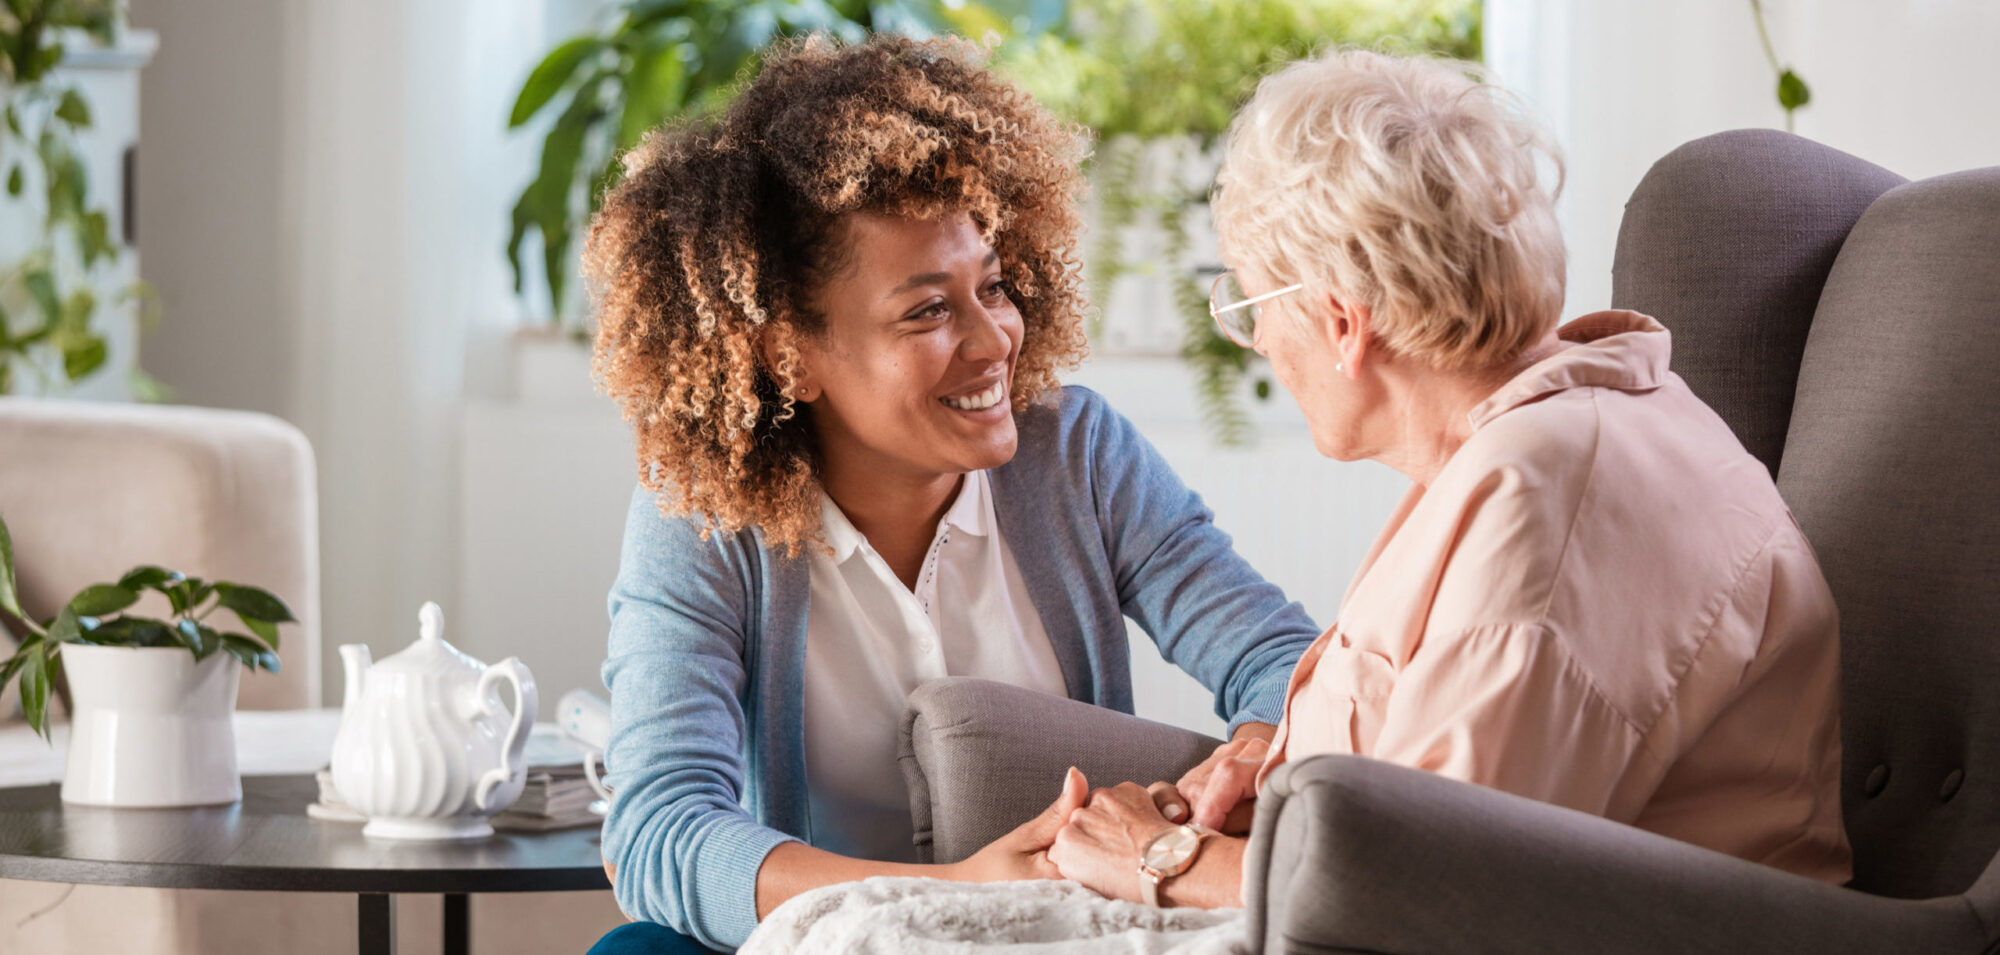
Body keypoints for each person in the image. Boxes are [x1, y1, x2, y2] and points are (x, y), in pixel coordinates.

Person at [1047, 49, 1852, 908]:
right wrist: (1286, 775)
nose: (1263, 346)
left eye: (1249, 308)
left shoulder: (1548, 498)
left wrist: (1164, 857)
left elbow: (1436, 890)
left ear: (1341, 320)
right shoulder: (1543, 437)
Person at [583, 35, 1320, 953]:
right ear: (789, 355)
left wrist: (1247, 758)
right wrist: (948, 894)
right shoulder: (703, 516)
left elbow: (1285, 664)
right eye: (927, 310)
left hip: (1067, 929)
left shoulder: (1077, 454)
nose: (994, 339)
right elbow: (661, 829)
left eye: (994, 286)